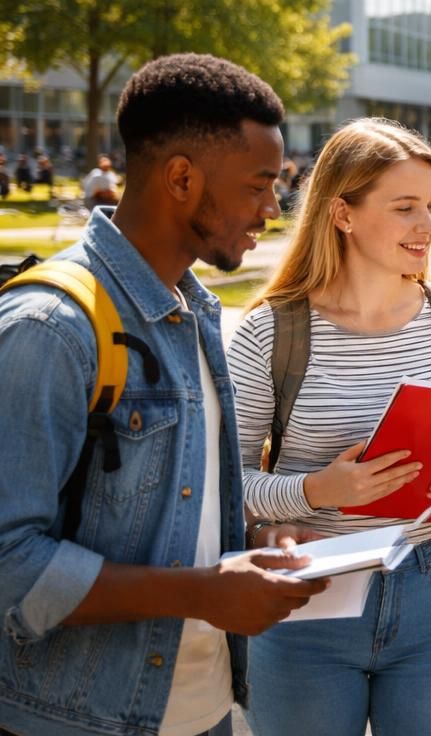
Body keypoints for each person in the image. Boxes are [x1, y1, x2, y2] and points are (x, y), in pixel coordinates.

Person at [0, 54, 328, 736]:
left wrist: (252, 542)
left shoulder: (195, 314)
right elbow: (10, 567)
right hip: (75, 719)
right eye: (260, 185)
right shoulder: (51, 329)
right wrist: (203, 593)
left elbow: (169, 509)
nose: (273, 208)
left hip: (201, 711)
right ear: (181, 177)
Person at [228, 118, 431, 736]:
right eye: (405, 207)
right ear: (342, 213)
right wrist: (318, 491)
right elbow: (220, 484)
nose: (428, 225)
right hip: (310, 594)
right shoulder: (271, 332)